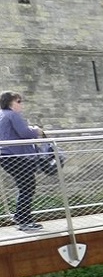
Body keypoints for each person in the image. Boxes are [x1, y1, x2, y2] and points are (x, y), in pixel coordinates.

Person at [0, 91, 44, 231]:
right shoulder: (13, 115)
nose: (21, 104)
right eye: (18, 101)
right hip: (17, 157)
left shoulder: (2, 115)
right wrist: (37, 131)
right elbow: (24, 133)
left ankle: (22, 217)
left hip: (6, 156)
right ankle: (23, 220)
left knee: (24, 186)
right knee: (27, 187)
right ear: (10, 103)